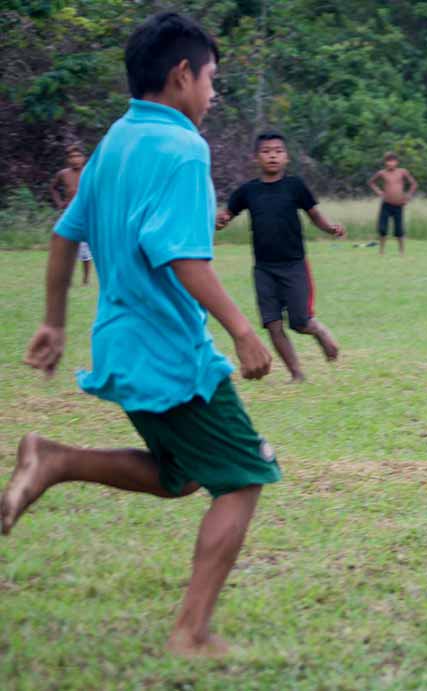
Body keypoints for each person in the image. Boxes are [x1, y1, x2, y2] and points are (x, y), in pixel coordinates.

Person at [1, 12, 282, 658]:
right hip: (169, 353)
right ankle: (192, 631)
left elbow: (64, 233)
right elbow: (184, 257)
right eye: (212, 79)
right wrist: (242, 329)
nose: (214, 95)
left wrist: (53, 320)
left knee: (179, 475)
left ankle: (56, 459)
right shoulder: (184, 146)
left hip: (121, 347)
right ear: (182, 75)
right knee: (244, 475)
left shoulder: (117, 139)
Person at [217, 132, 344, 382]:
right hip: (263, 268)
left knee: (300, 321)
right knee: (273, 324)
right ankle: (296, 374)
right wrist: (220, 221)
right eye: (266, 151)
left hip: (294, 265)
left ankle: (319, 332)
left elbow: (314, 214)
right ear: (256, 158)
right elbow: (227, 214)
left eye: (278, 151)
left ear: (286, 157)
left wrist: (330, 228)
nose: (272, 155)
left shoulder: (295, 186)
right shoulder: (247, 191)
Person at [49, 144, 92, 285]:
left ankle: (86, 279)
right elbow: (53, 188)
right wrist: (59, 202)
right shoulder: (63, 174)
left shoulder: (90, 172)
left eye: (78, 156)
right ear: (68, 159)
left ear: (84, 158)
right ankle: (67, 279)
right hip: (68, 213)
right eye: (72, 156)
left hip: (85, 214)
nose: (75, 159)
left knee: (85, 249)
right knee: (66, 244)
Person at [368, 152, 418, 255]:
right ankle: (381, 251)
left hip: (399, 205)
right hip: (386, 204)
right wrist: (378, 192)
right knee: (382, 228)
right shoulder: (382, 173)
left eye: (393, 161)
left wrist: (408, 196)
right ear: (385, 162)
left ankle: (401, 251)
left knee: (399, 230)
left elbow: (414, 184)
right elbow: (371, 182)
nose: (391, 163)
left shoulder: (402, 172)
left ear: (397, 162)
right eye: (388, 161)